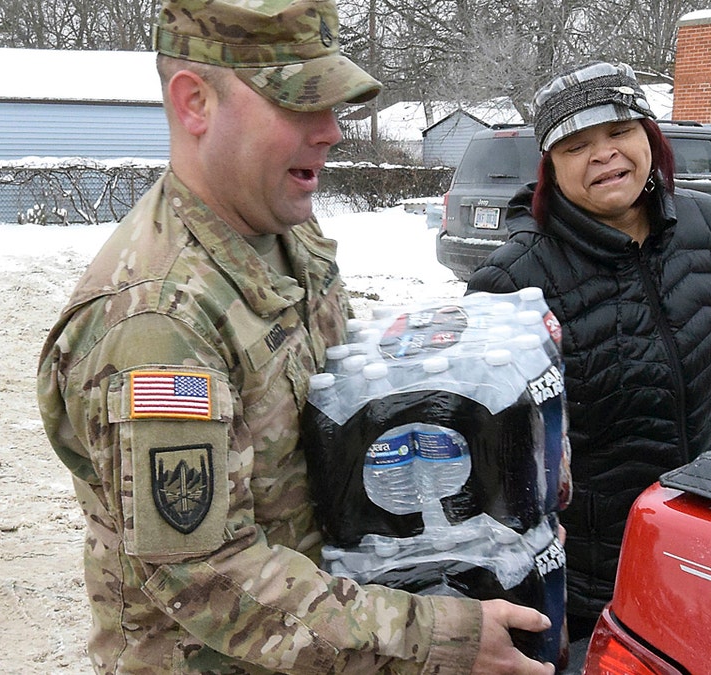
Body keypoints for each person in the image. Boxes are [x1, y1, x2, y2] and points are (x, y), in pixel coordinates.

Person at [36, 0, 555, 672]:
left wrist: (502, 458)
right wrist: (433, 636)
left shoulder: (282, 233)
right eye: (301, 103)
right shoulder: (157, 322)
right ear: (195, 104)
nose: (333, 130)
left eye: (333, 102)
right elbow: (210, 579)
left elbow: (343, 399)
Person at [466, 61, 711, 643]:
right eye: (575, 145)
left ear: (649, 138)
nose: (603, 154)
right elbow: (489, 464)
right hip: (592, 591)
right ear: (550, 167)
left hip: (707, 555)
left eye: (618, 133)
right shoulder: (513, 282)